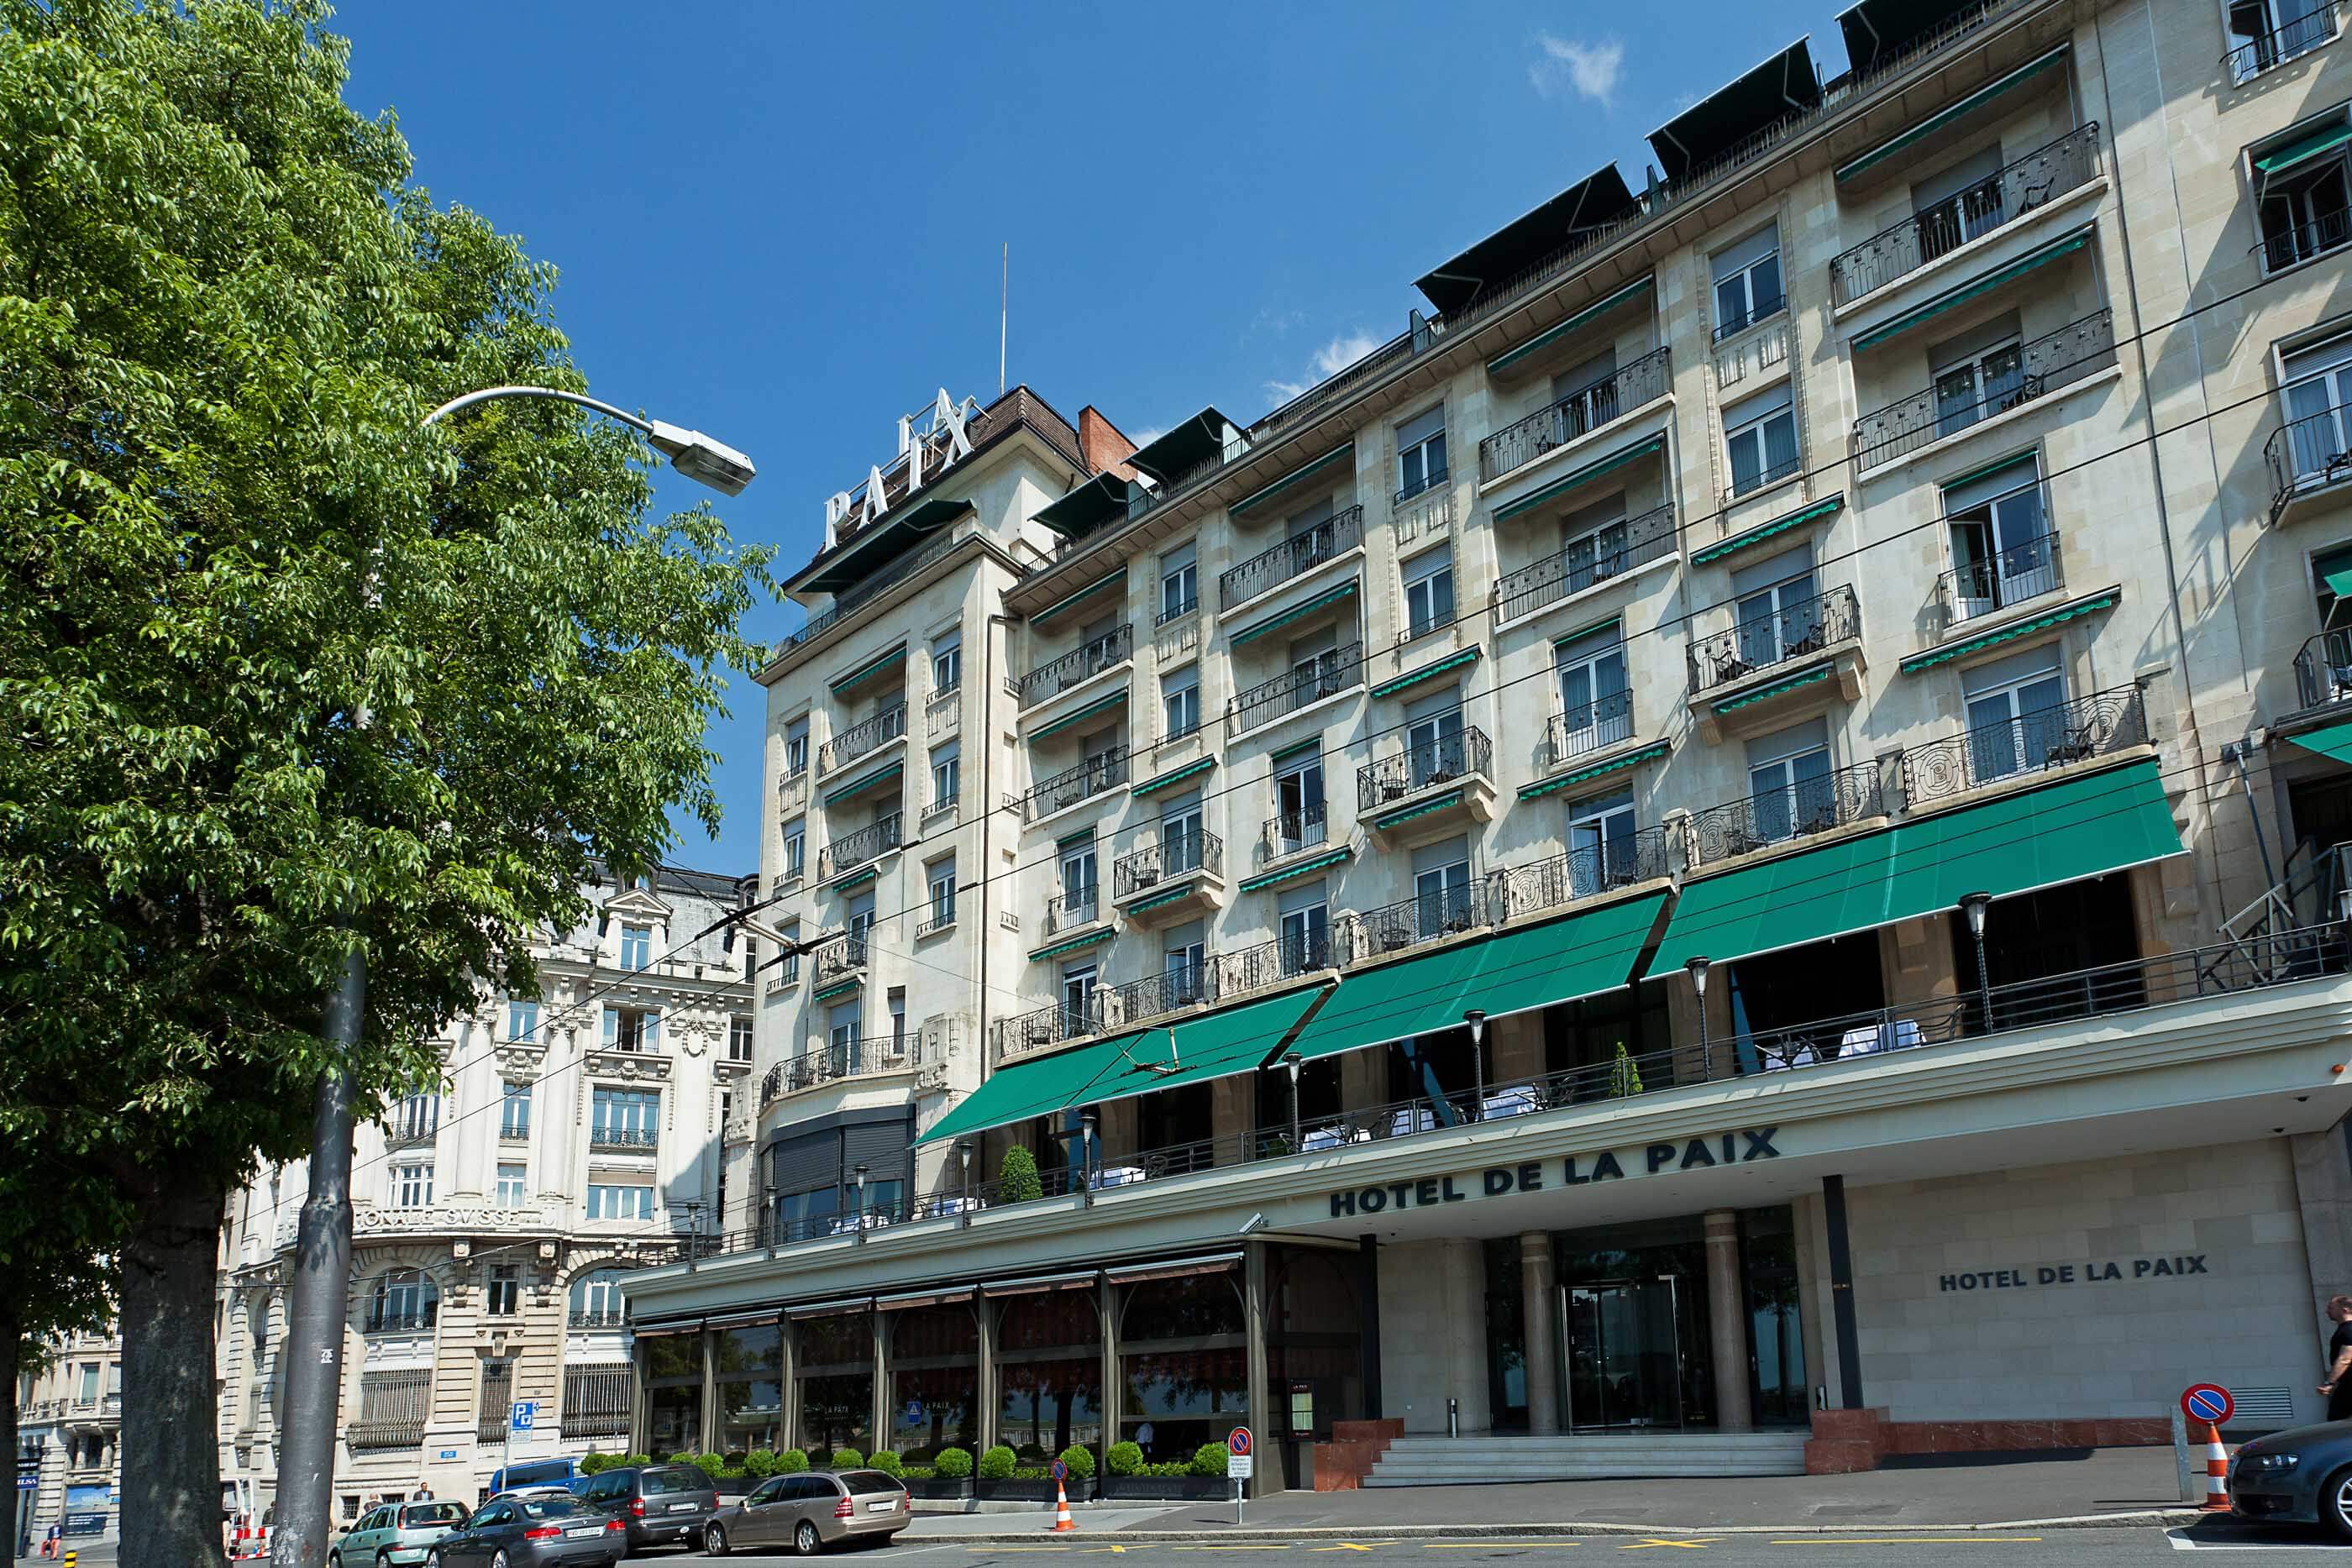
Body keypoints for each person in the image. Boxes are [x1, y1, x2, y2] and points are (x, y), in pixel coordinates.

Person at [2323, 1295, 2352, 1422]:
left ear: (2345, 1310)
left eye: (2331, 1308)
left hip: (2349, 1386)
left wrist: (2329, 1383)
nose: (2327, 1311)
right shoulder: (2345, 1329)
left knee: (2336, 1422)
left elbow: (2345, 1358)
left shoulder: (2349, 1329)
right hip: (2347, 1385)